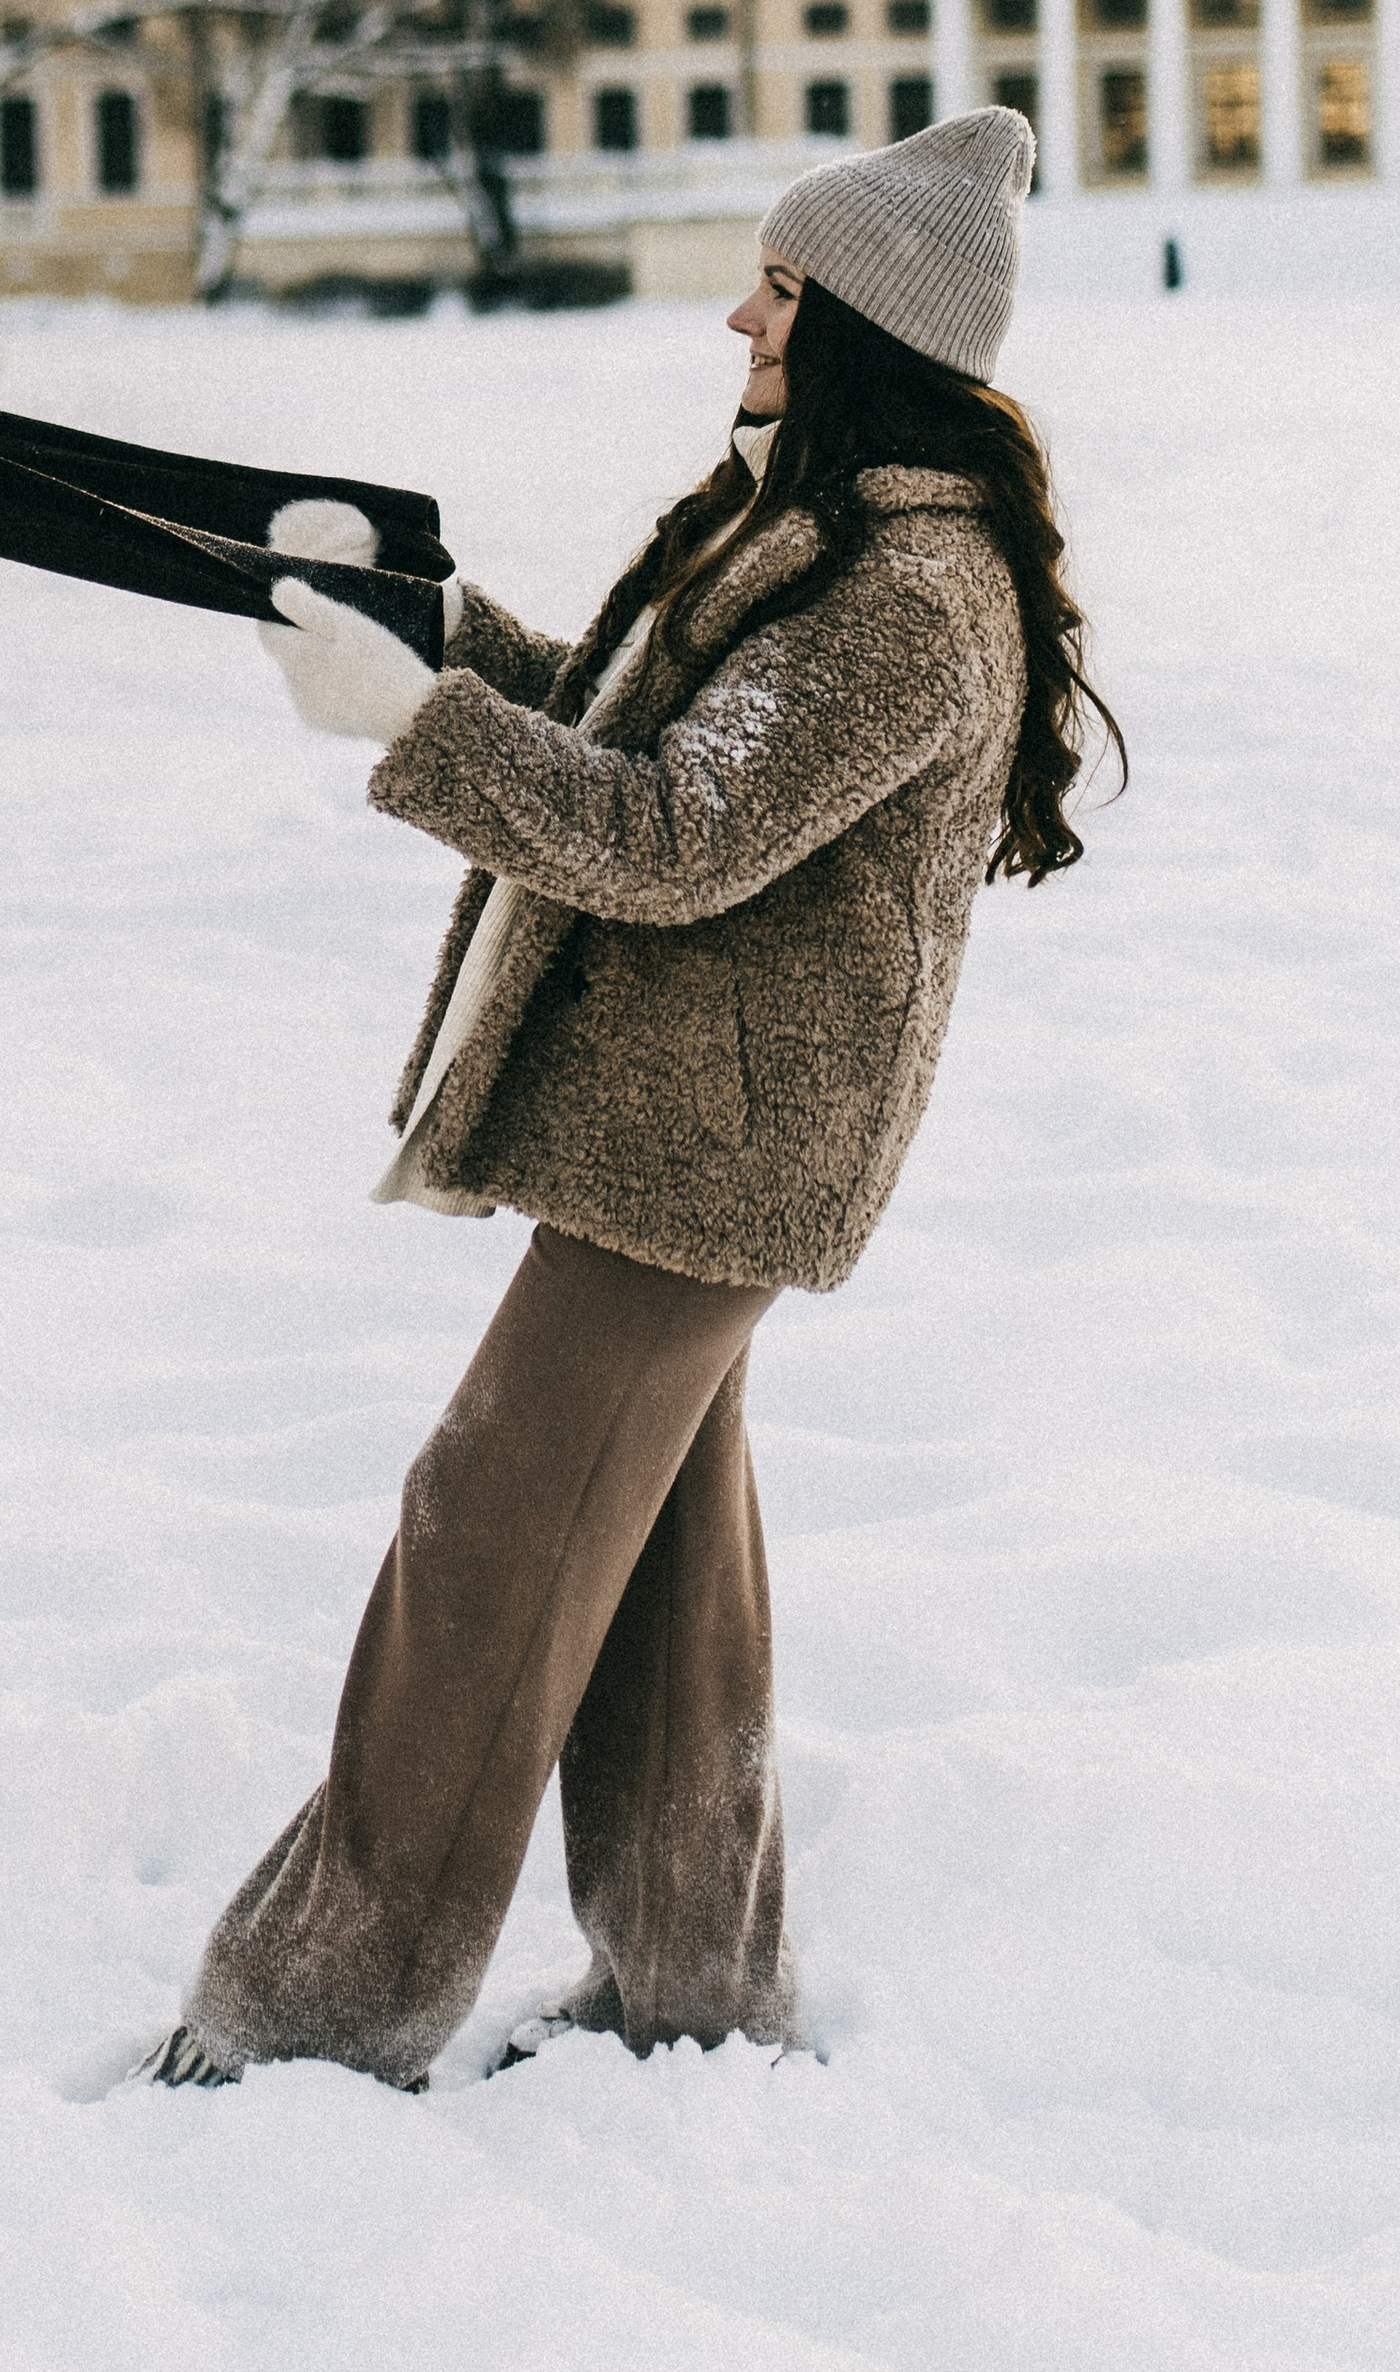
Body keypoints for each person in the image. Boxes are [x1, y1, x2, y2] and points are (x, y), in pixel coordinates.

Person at [138, 105, 1119, 2093]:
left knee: (483, 1543)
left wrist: (410, 730)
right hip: (677, 1133)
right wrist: (423, 632)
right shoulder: (809, 518)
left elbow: (666, 832)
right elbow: (618, 707)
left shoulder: (904, 598)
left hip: (712, 1151)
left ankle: (313, 2026)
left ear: (855, 323)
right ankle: (696, 1987)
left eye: (776, 284)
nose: (735, 315)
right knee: (659, 1560)